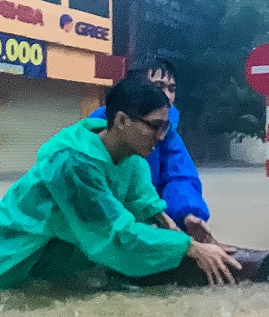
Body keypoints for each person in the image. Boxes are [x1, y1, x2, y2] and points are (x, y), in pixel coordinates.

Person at [0, 77, 241, 290]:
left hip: (56, 260)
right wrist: (189, 248)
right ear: (121, 120)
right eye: (154, 126)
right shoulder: (73, 165)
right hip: (11, 262)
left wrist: (185, 230)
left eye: (165, 127)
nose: (160, 136)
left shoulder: (133, 160)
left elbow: (145, 204)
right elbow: (116, 235)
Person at [88, 58, 214, 241]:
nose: (167, 95)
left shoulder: (169, 134)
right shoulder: (95, 136)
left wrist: (187, 213)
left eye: (172, 89)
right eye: (158, 86)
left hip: (137, 229)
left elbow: (179, 176)